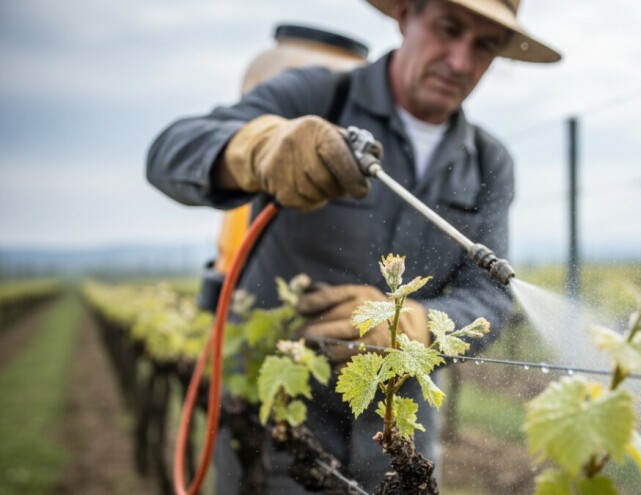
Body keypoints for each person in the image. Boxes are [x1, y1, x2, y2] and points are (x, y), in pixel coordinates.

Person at [146, 0, 560, 492]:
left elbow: (489, 298)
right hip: (273, 433)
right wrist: (260, 148)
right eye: (448, 29)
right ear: (406, 15)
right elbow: (170, 151)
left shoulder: (490, 161)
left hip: (398, 455)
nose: (459, 61)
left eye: (484, 45)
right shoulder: (318, 96)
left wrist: (417, 326)